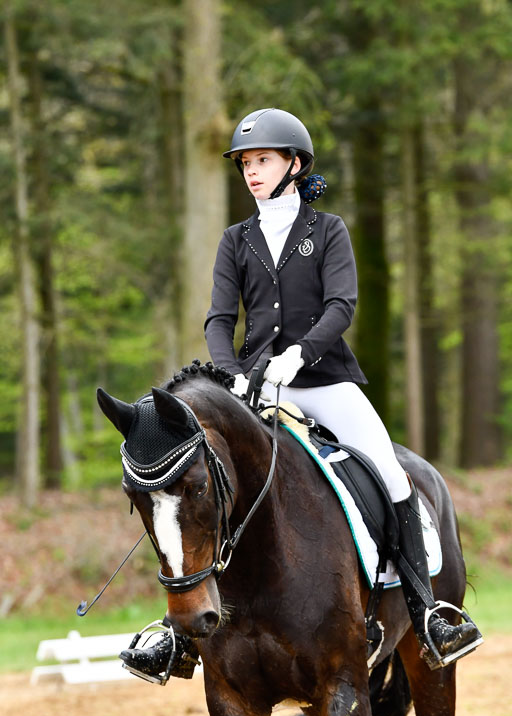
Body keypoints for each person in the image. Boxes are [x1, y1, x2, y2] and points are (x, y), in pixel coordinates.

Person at [121, 108, 479, 678]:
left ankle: (427, 611)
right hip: (253, 388)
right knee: (199, 482)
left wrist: (299, 355)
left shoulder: (327, 230)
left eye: (262, 160)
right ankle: (178, 635)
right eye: (245, 163)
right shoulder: (235, 240)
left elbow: (342, 305)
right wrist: (229, 374)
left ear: (294, 164)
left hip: (325, 380)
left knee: (391, 474)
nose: (251, 171)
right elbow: (219, 318)